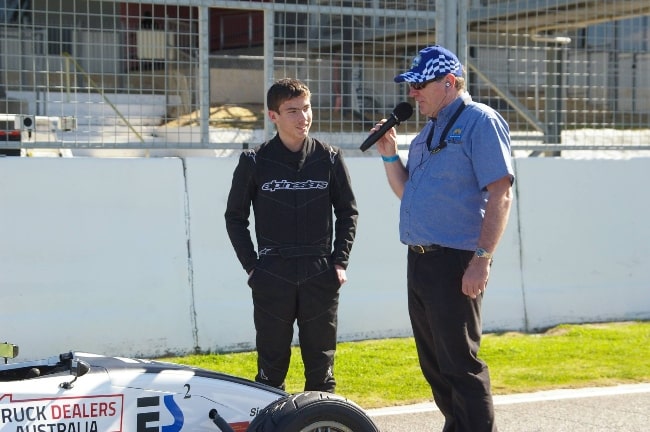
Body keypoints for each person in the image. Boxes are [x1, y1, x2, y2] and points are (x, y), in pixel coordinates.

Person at [372, 45, 515, 431]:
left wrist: (481, 259)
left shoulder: (480, 122)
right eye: (411, 85)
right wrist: (390, 156)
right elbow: (410, 192)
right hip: (420, 261)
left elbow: (501, 192)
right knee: (435, 365)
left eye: (419, 85)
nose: (412, 93)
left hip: (457, 261)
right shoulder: (426, 132)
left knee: (460, 365)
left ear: (449, 83)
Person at [224, 77, 358, 393]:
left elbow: (348, 212)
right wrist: (252, 266)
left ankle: (321, 426)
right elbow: (234, 218)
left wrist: (340, 261)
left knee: (322, 374)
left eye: (307, 108)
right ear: (274, 116)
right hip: (273, 273)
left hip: (319, 273)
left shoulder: (329, 158)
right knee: (270, 375)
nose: (304, 118)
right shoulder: (254, 161)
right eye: (293, 111)